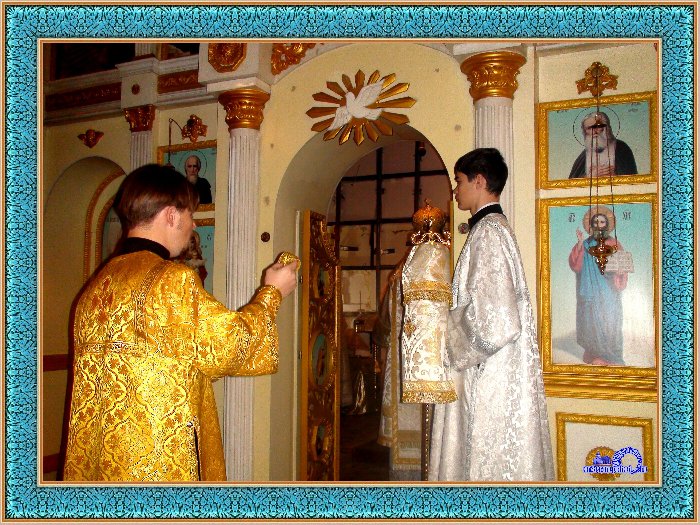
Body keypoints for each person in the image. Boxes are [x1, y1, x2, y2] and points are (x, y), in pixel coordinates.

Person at [63, 164, 298, 482]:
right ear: (172, 215)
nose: (193, 225)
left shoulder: (94, 288)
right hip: (157, 464)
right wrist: (272, 293)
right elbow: (230, 347)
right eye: (191, 215)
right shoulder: (171, 280)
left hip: (101, 468)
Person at [429, 148, 554, 481]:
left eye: (459, 181)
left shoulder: (488, 232)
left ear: (479, 181)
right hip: (497, 365)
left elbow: (498, 321)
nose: (455, 190)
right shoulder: (493, 229)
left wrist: (444, 333)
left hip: (489, 375)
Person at [568, 206, 628, 365]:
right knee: (592, 320)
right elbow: (576, 265)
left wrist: (620, 272)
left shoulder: (614, 243)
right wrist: (579, 243)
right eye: (595, 222)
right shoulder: (586, 244)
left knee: (610, 319)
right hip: (591, 291)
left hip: (609, 289)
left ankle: (612, 357)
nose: (598, 225)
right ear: (591, 225)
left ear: (607, 224)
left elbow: (623, 265)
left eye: (602, 222)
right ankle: (596, 355)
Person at [569, 110, 638, 179]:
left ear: (606, 128)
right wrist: (590, 176)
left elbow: (632, 177)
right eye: (589, 128)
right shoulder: (584, 155)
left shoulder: (621, 148)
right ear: (585, 132)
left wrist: (614, 176)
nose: (594, 131)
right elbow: (572, 182)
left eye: (597, 126)